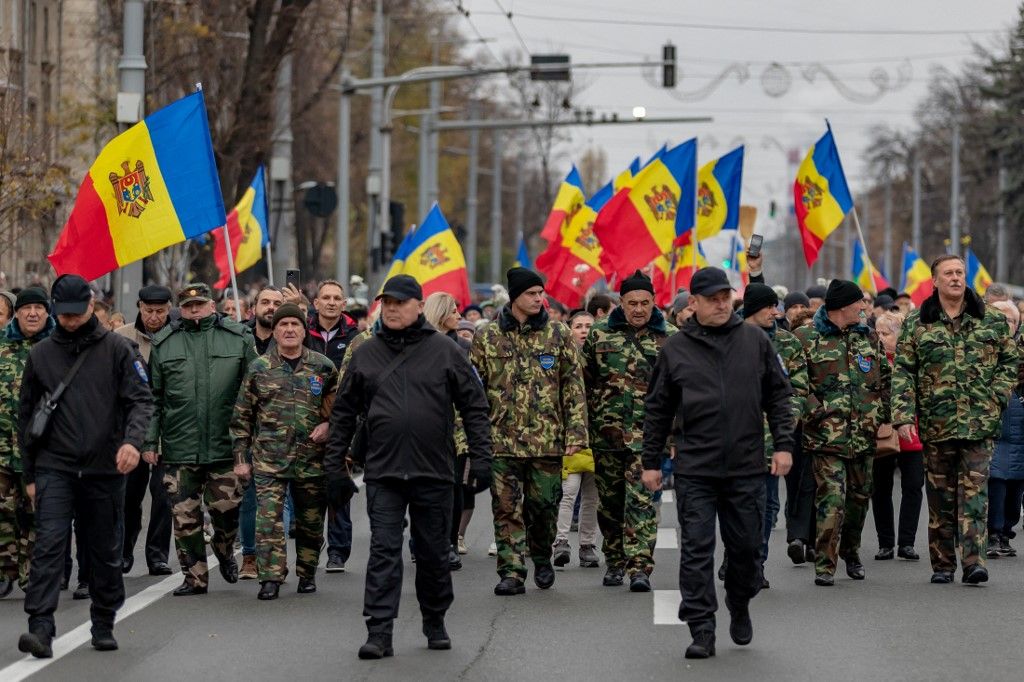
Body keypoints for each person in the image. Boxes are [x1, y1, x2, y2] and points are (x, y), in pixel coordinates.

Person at [326, 275, 492, 659]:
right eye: (387, 303)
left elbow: (475, 407)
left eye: (401, 302)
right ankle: (379, 631)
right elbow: (343, 414)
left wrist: (482, 458)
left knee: (434, 553)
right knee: (384, 551)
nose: (393, 309)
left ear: (419, 306)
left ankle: (435, 619)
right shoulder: (366, 353)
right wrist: (335, 466)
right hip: (383, 472)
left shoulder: (445, 351)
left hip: (433, 471)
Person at [641, 267, 794, 659]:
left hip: (746, 467)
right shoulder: (675, 349)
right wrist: (652, 461)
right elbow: (658, 409)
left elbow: (779, 396)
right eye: (713, 298)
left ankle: (739, 602)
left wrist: (783, 446)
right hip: (696, 468)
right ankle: (702, 628)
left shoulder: (755, 341)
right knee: (697, 550)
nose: (722, 304)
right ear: (693, 303)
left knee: (746, 550)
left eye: (726, 296)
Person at [16, 274, 153, 657]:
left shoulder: (118, 349)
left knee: (104, 550)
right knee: (48, 547)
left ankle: (104, 620)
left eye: (77, 313)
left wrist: (132, 441)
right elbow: (26, 418)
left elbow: (141, 401)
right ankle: (40, 628)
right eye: (64, 314)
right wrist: (30, 476)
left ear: (92, 306)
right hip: (54, 467)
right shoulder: (41, 354)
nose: (70, 320)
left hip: (104, 469)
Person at [892, 254, 1018, 585]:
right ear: (934, 281)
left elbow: (1011, 360)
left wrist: (997, 395)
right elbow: (904, 371)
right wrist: (903, 415)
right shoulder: (918, 323)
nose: (955, 278)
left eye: (960, 272)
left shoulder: (989, 319)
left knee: (975, 495)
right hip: (937, 424)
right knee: (941, 499)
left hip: (980, 424)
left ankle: (975, 562)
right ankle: (943, 564)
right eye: (948, 273)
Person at [471, 267, 588, 596]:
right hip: (501, 440)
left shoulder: (558, 334)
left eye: (541, 293)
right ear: (514, 298)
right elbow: (472, 391)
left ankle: (541, 554)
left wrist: (576, 434)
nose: (540, 299)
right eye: (532, 294)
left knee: (544, 507)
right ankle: (511, 570)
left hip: (546, 440)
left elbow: (573, 387)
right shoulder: (487, 336)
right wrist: (471, 437)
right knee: (505, 508)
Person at [143, 283, 257, 596]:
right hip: (180, 447)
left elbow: (254, 392)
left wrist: (250, 440)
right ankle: (194, 578)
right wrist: (150, 443)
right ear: (181, 309)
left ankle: (223, 549)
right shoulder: (165, 343)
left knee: (226, 511)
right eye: (188, 306)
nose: (194, 310)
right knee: (184, 518)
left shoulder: (238, 338)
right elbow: (154, 398)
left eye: (200, 305)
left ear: (211, 305)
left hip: (225, 446)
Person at [231, 304, 337, 600]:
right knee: (268, 521)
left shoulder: (323, 366)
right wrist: (241, 460)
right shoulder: (258, 368)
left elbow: (340, 408)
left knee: (310, 521)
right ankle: (271, 577)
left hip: (311, 459)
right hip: (269, 460)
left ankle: (307, 572)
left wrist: (328, 424)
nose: (289, 329)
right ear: (274, 331)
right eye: (283, 325)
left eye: (295, 324)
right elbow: (241, 418)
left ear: (304, 330)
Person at [788, 280, 890, 587]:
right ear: (842, 306)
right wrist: (815, 412)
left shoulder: (868, 336)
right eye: (859, 303)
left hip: (864, 436)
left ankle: (851, 551)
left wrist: (882, 414)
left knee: (859, 501)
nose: (863, 307)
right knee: (831, 500)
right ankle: (825, 563)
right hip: (826, 438)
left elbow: (885, 377)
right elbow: (794, 383)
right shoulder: (805, 337)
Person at [582, 271, 675, 591]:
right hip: (607, 434)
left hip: (650, 437)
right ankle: (615, 559)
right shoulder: (599, 335)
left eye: (645, 303)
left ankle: (639, 567)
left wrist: (675, 436)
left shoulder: (671, 337)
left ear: (654, 302)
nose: (639, 309)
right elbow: (585, 383)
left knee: (642, 501)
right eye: (632, 303)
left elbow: (681, 391)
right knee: (610, 504)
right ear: (620, 303)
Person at [739, 283, 804, 588]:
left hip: (771, 442)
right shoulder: (728, 339)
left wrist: (785, 426)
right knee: (738, 505)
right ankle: (737, 556)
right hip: (734, 441)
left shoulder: (787, 344)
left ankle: (756, 563)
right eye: (769, 307)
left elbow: (798, 389)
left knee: (766, 505)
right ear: (754, 310)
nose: (776, 312)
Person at [114, 285, 174, 577]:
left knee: (164, 494)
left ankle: (158, 555)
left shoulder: (178, 336)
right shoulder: (121, 338)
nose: (154, 317)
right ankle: (124, 551)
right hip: (132, 431)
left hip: (169, 430)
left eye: (160, 311)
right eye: (149, 310)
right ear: (139, 306)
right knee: (129, 495)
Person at [0, 287, 55, 597]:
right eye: (26, 308)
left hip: (43, 450)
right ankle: (4, 571)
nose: (32, 313)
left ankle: (32, 576)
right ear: (16, 313)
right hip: (2, 450)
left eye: (39, 307)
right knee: (2, 511)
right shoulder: (2, 346)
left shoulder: (56, 348)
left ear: (47, 313)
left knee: (37, 515)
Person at [303, 279, 360, 574]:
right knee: (309, 490)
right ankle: (310, 546)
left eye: (337, 298)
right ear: (316, 303)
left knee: (338, 486)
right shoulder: (302, 331)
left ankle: (338, 551)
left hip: (342, 422)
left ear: (344, 303)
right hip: (304, 422)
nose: (331, 302)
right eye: (326, 297)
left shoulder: (355, 337)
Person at [871, 311, 924, 562]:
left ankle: (907, 542)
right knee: (881, 488)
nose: (880, 338)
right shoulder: (870, 360)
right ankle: (885, 543)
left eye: (886, 333)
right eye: (878, 333)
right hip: (882, 434)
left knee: (913, 486)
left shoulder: (913, 360)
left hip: (911, 433)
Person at [553, 310, 600, 571]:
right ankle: (560, 541)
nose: (583, 330)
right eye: (578, 326)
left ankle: (587, 545)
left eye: (588, 326)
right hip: (571, 435)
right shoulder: (563, 359)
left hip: (597, 437)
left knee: (592, 496)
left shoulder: (602, 359)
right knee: (568, 492)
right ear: (569, 330)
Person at [986, 300, 1023, 558]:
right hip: (993, 423)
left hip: (1019, 423)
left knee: (1016, 484)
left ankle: (1007, 532)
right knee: (995, 480)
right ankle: (992, 532)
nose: (1006, 324)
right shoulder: (983, 347)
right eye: (1001, 318)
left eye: (1011, 320)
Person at [247, 286, 285, 355]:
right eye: (265, 302)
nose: (271, 307)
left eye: (277, 304)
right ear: (254, 309)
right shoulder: (240, 338)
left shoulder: (290, 340)